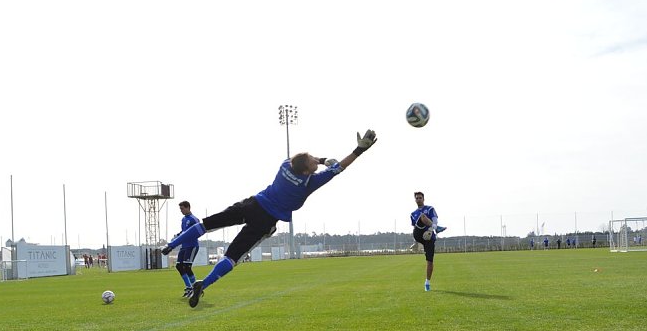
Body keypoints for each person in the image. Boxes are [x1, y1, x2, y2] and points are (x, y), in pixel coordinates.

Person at [162, 129, 378, 307]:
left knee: (206, 224)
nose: (315, 160)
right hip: (265, 221)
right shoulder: (309, 182)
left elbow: (299, 159)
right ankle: (204, 284)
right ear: (306, 171)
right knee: (232, 257)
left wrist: (321, 159)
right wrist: (359, 150)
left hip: (252, 204)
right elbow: (340, 167)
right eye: (313, 161)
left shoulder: (285, 165)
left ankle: (171, 245)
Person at [410, 191, 441, 292]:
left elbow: (435, 218)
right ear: (415, 200)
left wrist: (431, 229)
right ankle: (437, 229)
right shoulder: (413, 214)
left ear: (423, 199)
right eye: (417, 198)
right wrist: (415, 240)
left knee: (430, 261)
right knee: (422, 216)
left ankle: (427, 282)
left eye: (420, 198)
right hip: (419, 234)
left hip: (429, 237)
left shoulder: (430, 209)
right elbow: (415, 227)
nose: (419, 199)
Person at [171, 200, 202, 298]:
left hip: (192, 246)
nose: (181, 211)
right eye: (180, 209)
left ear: (188, 207)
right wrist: (178, 235)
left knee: (187, 267)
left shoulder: (194, 219)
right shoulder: (184, 219)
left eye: (182, 208)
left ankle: (197, 289)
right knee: (179, 266)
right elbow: (184, 231)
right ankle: (189, 288)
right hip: (184, 246)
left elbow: (198, 232)